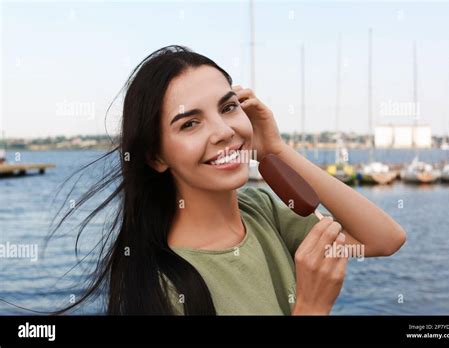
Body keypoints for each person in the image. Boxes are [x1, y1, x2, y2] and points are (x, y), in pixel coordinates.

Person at [52, 45, 406, 315]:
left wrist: (277, 150)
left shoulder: (263, 210)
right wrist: (311, 307)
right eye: (190, 123)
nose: (223, 131)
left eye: (228, 107)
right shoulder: (162, 285)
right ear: (156, 156)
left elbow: (385, 238)